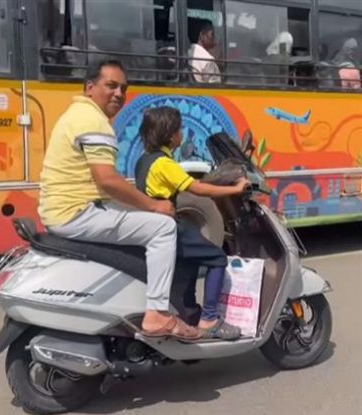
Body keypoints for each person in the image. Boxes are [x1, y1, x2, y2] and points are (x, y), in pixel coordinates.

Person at [38, 59, 202, 342]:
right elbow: (107, 180)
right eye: (110, 86)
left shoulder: (75, 114)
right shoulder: (94, 121)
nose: (118, 94)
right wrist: (155, 206)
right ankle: (157, 314)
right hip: (76, 213)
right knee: (163, 228)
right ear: (90, 88)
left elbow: (103, 182)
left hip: (67, 209)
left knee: (141, 218)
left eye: (123, 89)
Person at [135, 107, 249, 340]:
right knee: (216, 257)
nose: (182, 133)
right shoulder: (164, 164)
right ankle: (210, 319)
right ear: (170, 135)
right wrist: (235, 189)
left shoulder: (144, 161)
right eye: (179, 129)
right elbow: (197, 188)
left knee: (188, 264)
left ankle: (188, 315)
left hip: (151, 224)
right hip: (168, 225)